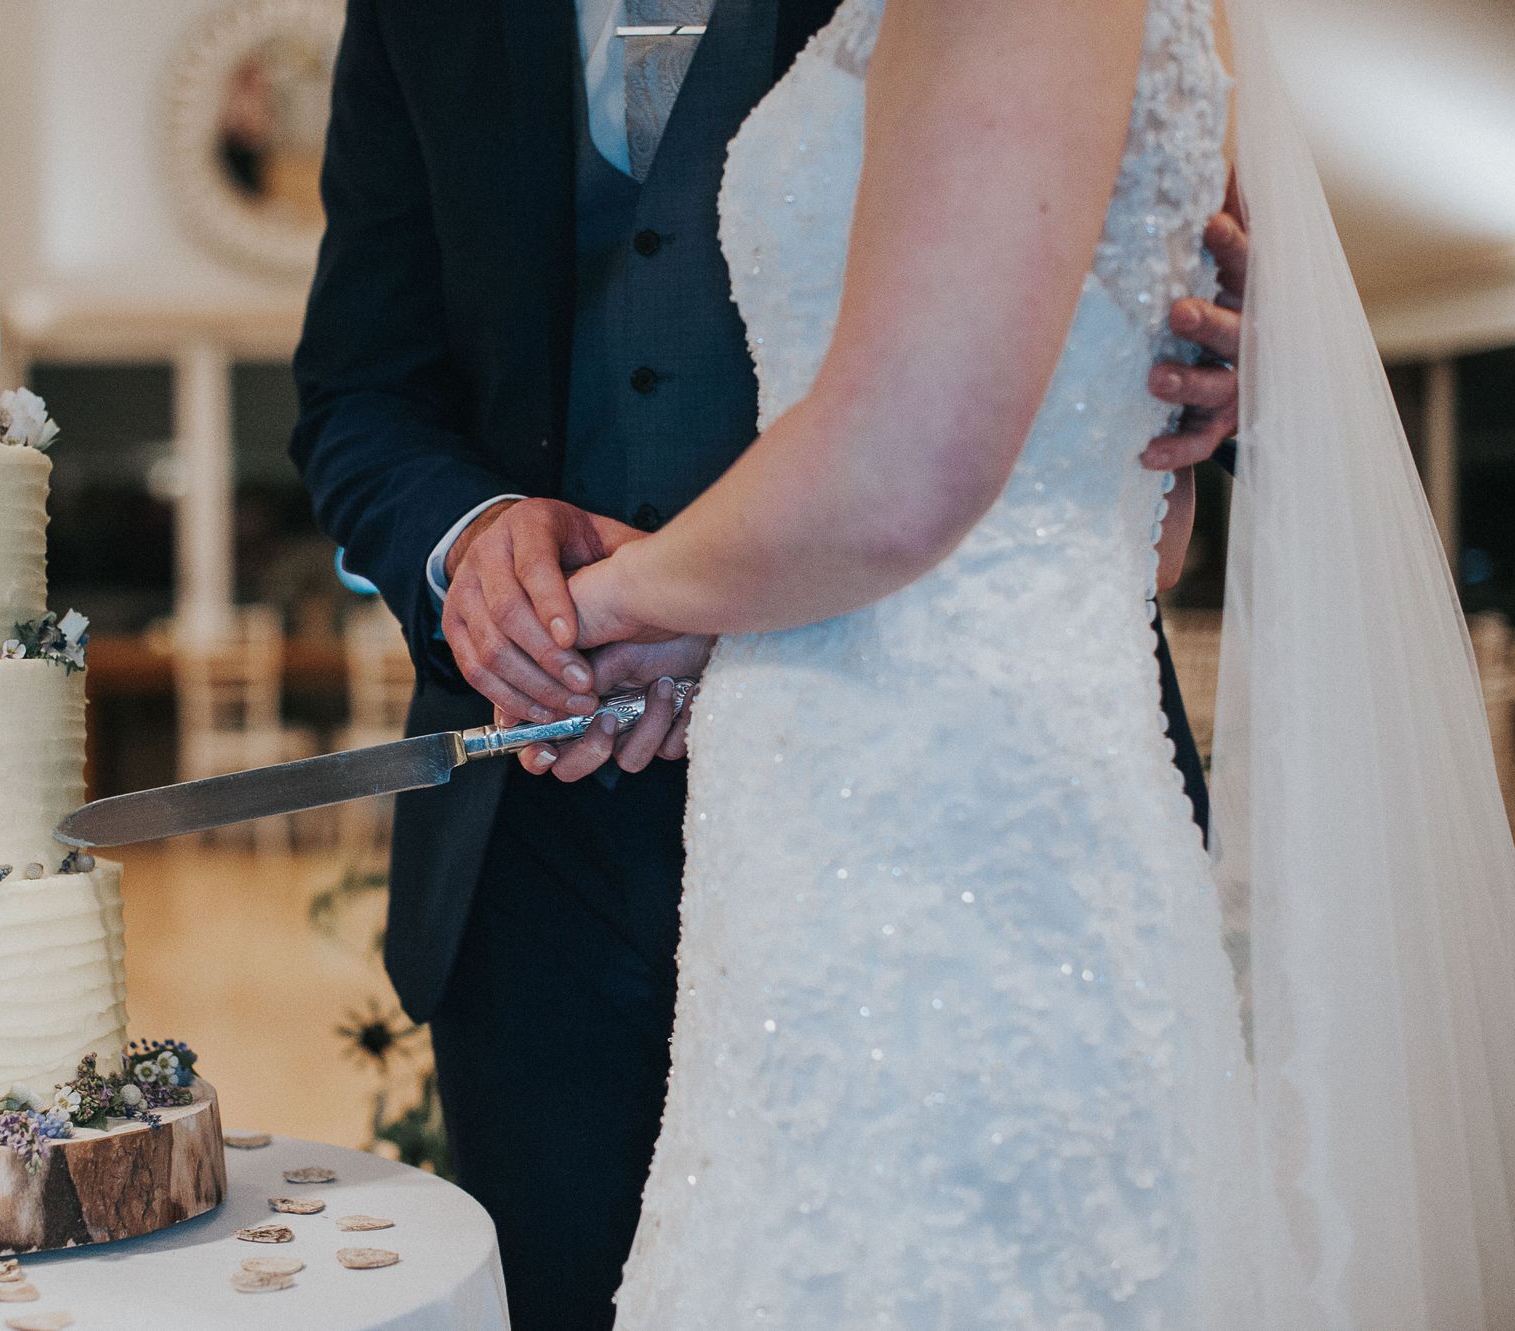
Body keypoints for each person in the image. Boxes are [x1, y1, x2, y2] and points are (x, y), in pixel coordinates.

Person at [475, 0, 1515, 1325]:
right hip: (847, 820)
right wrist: (710, 611)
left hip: (949, 842)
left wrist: (605, 611)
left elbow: (908, 476)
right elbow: (1131, 504)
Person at [291, 4, 1246, 1325]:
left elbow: (1080, 343)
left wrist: (1200, 351)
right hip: (537, 859)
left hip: (950, 821)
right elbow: (359, 389)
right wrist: (478, 547)